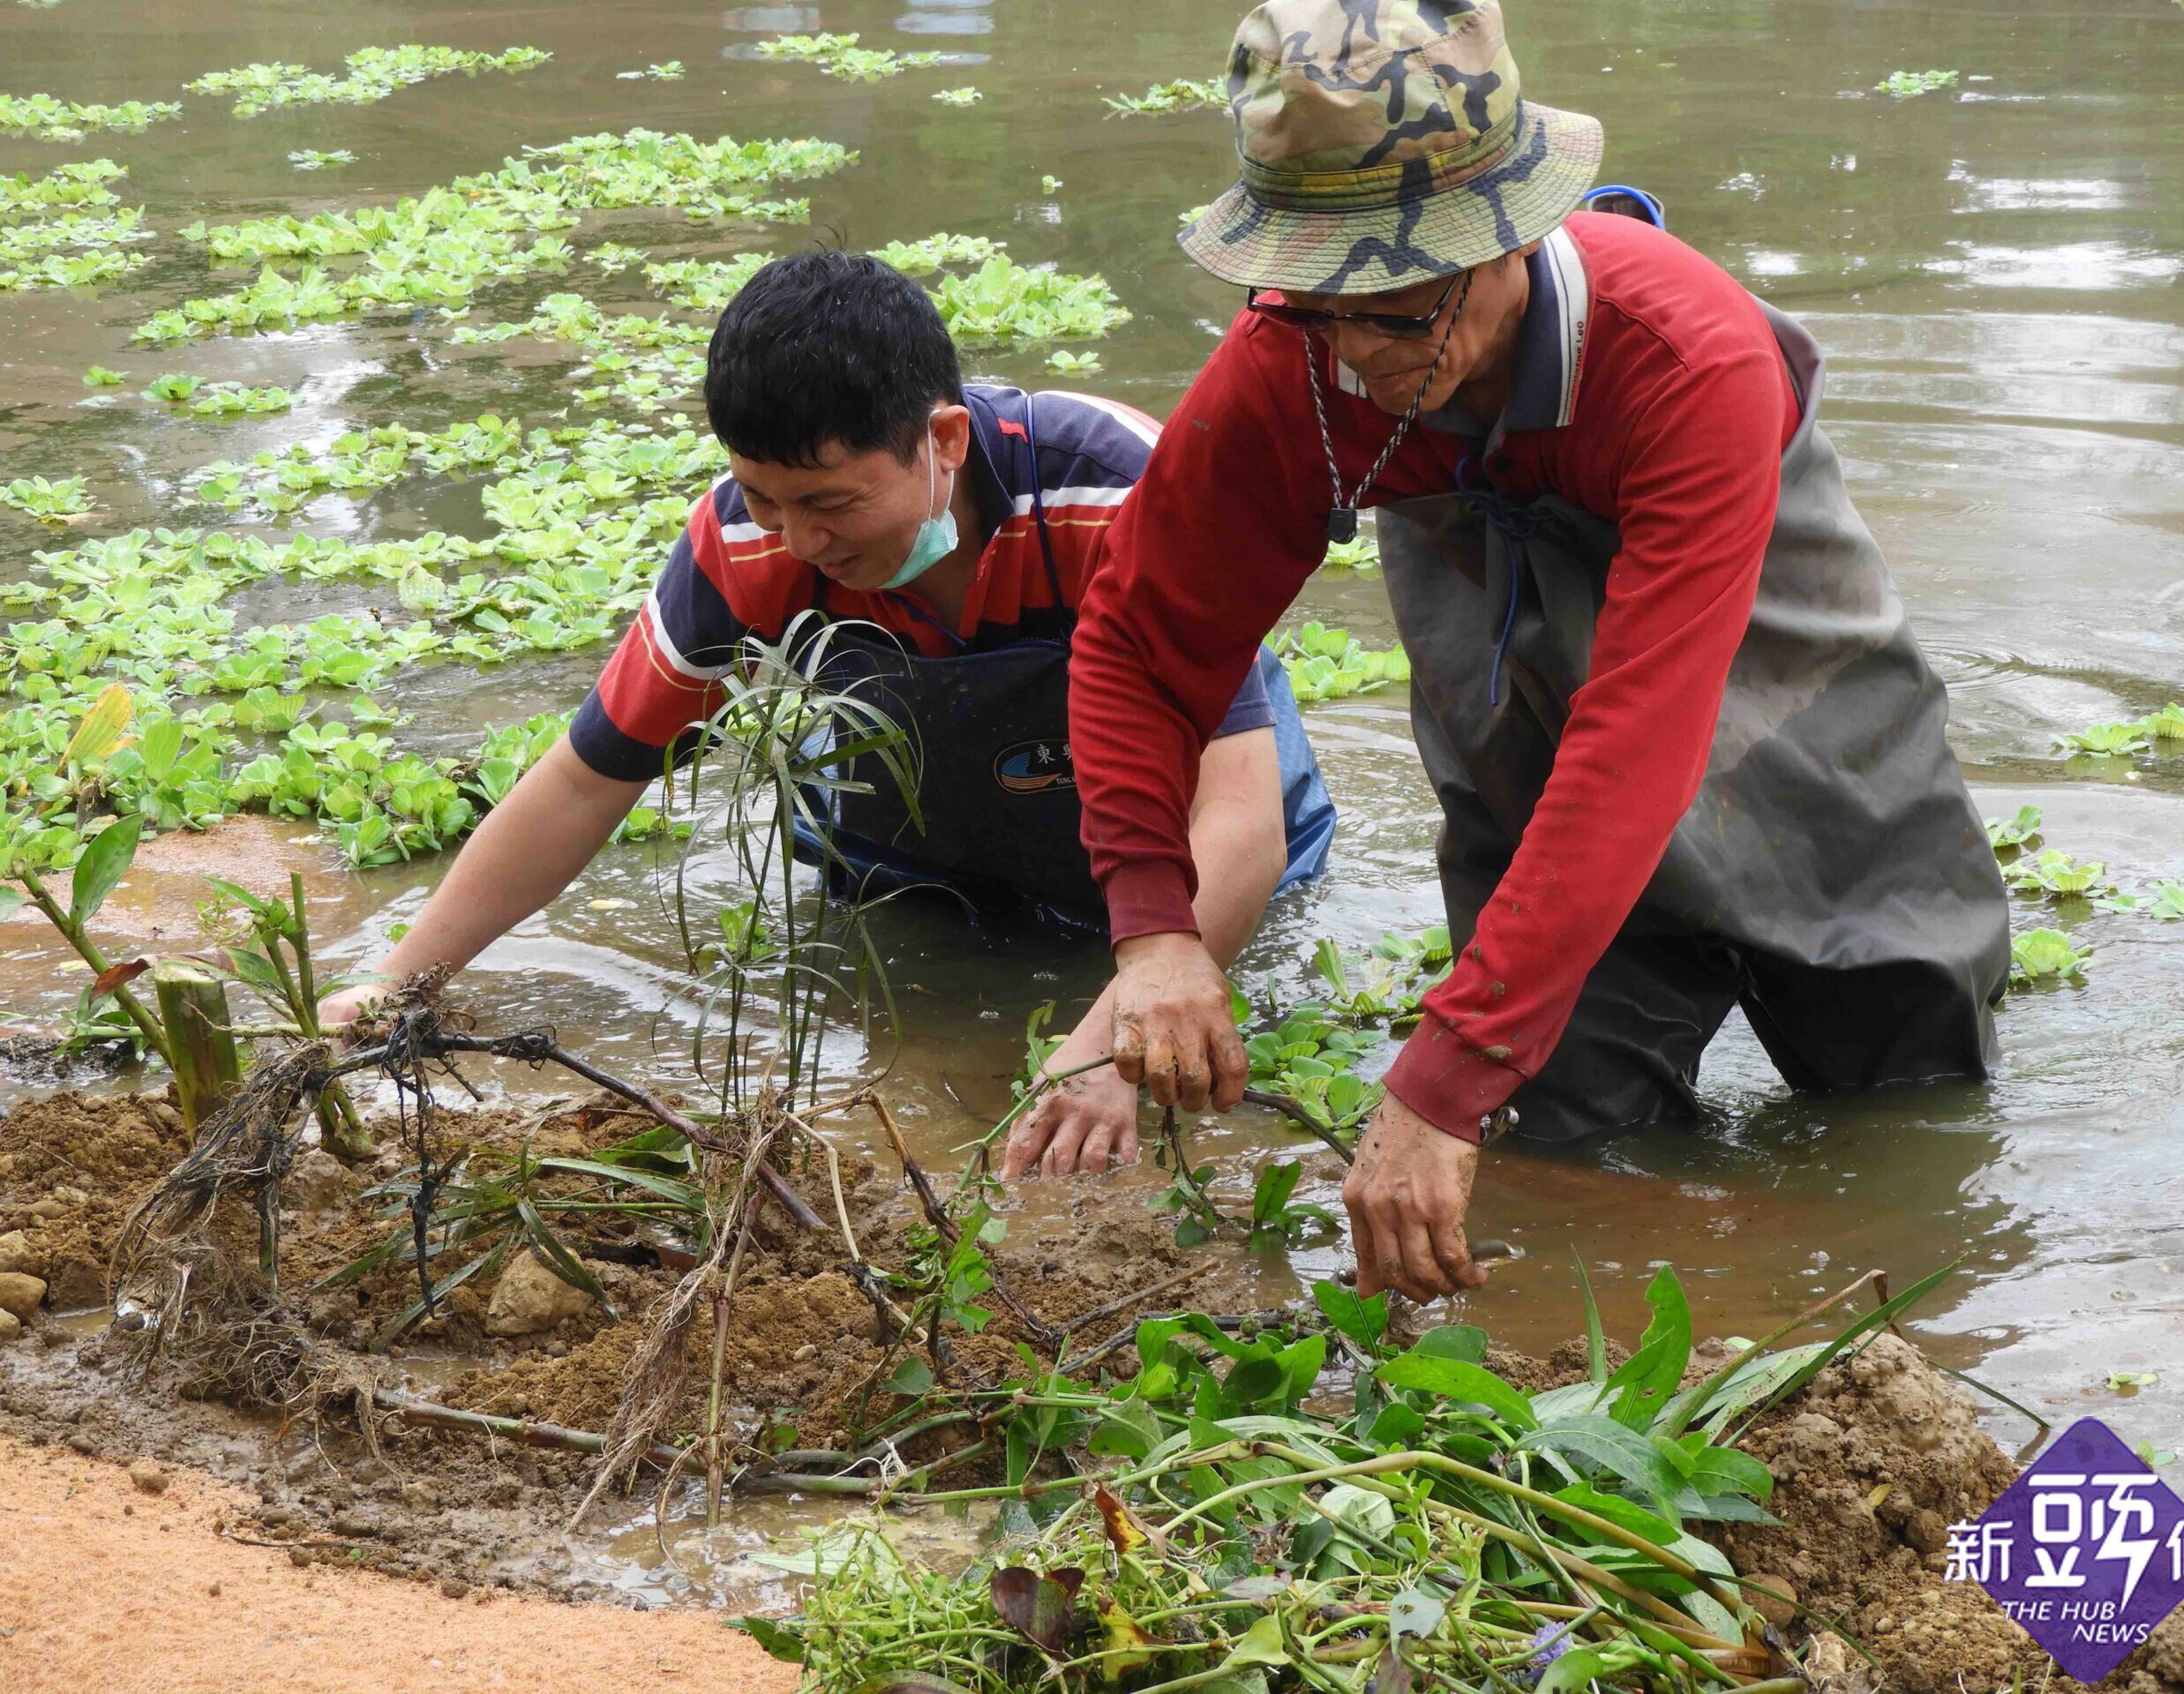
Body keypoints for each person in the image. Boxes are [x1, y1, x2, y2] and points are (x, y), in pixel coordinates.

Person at [1068, 0, 2011, 1302]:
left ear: (1510, 234)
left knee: (1900, 1118)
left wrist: (1440, 1076)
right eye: (1319, 305)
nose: (1357, 357)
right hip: (1509, 666)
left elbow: (1637, 743)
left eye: (1401, 313)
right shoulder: (1299, 363)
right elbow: (1138, 639)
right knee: (1573, 1129)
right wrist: (1153, 933)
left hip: (1777, 672)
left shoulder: (1688, 360)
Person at [321, 251, 1337, 1177]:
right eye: (762, 497)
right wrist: (400, 983)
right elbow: (590, 780)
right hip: (912, 870)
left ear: (941, 440)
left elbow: (1239, 819)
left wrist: (1114, 1045)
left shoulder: (1116, 491)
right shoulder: (746, 542)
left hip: (1175, 853)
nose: (798, 540)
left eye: (834, 505)